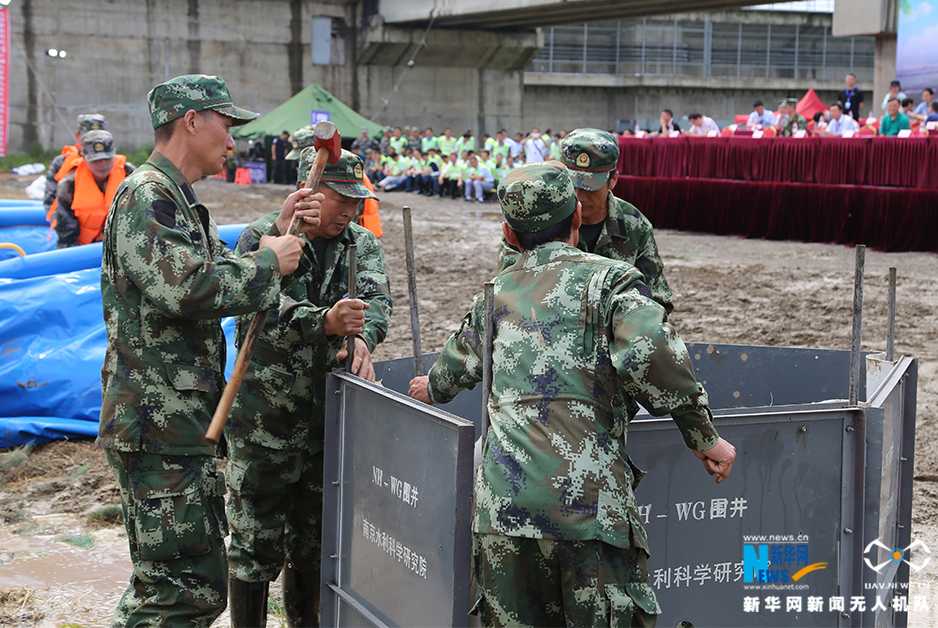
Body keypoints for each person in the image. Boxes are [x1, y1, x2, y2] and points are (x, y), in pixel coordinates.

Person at [408, 161, 735, 628]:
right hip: (588, 514)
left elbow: (452, 370)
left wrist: (428, 388)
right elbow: (651, 355)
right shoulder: (612, 282)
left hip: (505, 516)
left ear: (509, 232)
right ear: (577, 218)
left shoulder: (495, 294)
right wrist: (705, 438)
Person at [98, 73, 316, 626]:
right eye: (225, 122)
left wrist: (280, 227)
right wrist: (270, 262)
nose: (233, 138)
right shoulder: (147, 196)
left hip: (178, 426)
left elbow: (220, 271)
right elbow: (187, 286)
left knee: (186, 587)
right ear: (191, 121)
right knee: (178, 592)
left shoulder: (179, 200)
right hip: (158, 427)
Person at [226, 148, 391, 627]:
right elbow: (269, 315)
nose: (349, 210)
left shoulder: (361, 243)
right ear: (308, 189)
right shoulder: (264, 238)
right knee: (254, 541)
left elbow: (378, 301)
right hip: (266, 422)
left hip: (328, 424)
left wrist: (363, 338)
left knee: (315, 542)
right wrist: (327, 322)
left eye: (356, 199)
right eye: (339, 197)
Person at [498, 128, 673, 312]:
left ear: (613, 180)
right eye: (572, 185)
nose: (580, 196)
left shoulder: (634, 225)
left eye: (590, 187)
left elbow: (658, 299)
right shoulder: (535, 218)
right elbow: (506, 290)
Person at [52, 130, 135, 248]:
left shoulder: (130, 175)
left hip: (122, 246)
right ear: (83, 157)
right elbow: (66, 234)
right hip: (83, 247)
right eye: (95, 159)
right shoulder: (68, 185)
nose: (102, 164)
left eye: (106, 158)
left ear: (114, 153)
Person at [44, 114, 107, 220]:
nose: (93, 141)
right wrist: (66, 230)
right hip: (71, 230)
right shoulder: (60, 164)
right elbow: (50, 202)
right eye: (88, 136)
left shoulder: (117, 166)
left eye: (99, 137)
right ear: (77, 136)